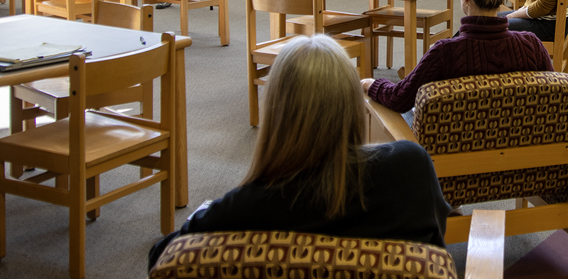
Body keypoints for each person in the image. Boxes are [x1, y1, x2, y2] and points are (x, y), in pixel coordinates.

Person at [149, 35, 450, 270]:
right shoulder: (409, 169)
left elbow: (163, 259)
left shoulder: (244, 206)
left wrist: (208, 211)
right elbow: (437, 243)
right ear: (351, 107)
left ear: (276, 113)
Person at [363, 0, 553, 113]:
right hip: (519, 151)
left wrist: (370, 84)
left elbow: (398, 99)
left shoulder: (445, 53)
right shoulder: (531, 45)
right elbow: (555, 96)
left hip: (451, 153)